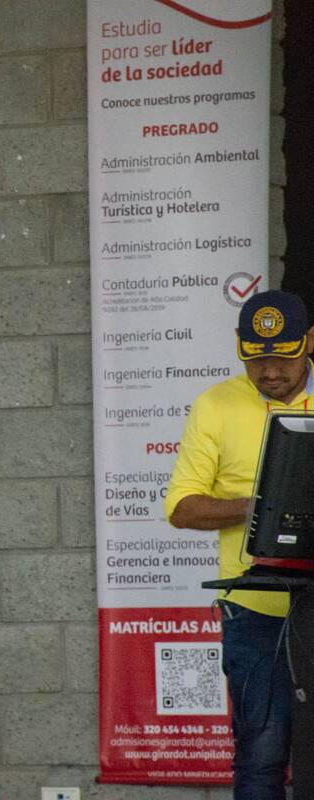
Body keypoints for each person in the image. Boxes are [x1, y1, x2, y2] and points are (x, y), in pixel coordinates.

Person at [166, 289, 314, 800]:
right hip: (254, 611)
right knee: (261, 755)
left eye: (283, 357)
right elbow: (181, 507)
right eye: (257, 359)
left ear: (310, 342)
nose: (270, 371)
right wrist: (263, 506)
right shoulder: (216, 405)